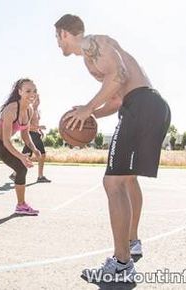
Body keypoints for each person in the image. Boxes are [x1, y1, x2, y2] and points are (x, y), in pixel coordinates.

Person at [55, 14, 171, 282]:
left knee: (113, 183)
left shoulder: (93, 44)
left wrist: (87, 108)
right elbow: (117, 97)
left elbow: (118, 77)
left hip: (140, 106)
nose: (57, 45)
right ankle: (131, 244)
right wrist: (90, 116)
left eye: (57, 38)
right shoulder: (96, 54)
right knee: (127, 180)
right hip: (148, 105)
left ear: (64, 33)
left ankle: (121, 265)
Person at [0, 78, 42, 229]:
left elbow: (25, 135)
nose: (32, 94)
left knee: (21, 168)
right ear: (19, 92)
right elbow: (6, 140)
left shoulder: (29, 110)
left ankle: (21, 205)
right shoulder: (11, 109)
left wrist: (34, 149)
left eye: (34, 91)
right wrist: (21, 156)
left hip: (3, 143)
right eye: (28, 91)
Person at [10, 92, 51, 183]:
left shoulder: (37, 110)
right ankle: (40, 177)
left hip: (35, 134)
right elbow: (26, 126)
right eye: (36, 99)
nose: (38, 101)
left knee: (26, 156)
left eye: (39, 99)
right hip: (31, 135)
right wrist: (39, 128)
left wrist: (39, 131)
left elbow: (35, 124)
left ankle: (15, 174)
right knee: (42, 154)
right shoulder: (30, 110)